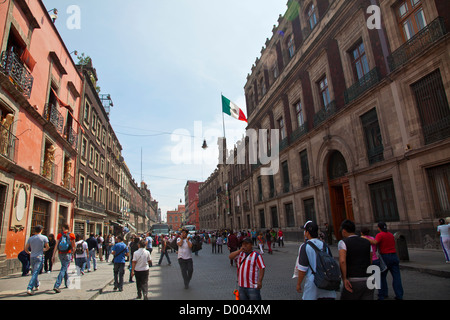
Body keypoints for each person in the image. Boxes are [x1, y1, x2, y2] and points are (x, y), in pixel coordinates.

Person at [296, 221, 337, 300]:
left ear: (307, 232)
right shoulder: (325, 245)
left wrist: (298, 284)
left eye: (305, 231)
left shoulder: (304, 247)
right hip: (327, 283)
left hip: (313, 285)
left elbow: (302, 269)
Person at [363, 222, 404, 300]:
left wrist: (365, 238)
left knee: (382, 276)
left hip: (385, 256)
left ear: (379, 228)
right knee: (396, 277)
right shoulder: (391, 235)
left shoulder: (380, 235)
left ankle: (384, 293)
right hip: (394, 255)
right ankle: (399, 295)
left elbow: (375, 242)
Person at [338, 220, 374, 300]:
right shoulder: (367, 242)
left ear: (344, 231)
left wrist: (344, 278)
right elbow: (370, 259)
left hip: (354, 280)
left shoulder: (343, 243)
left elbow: (342, 261)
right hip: (368, 279)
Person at [25, 225, 49, 295]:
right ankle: (29, 288)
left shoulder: (31, 238)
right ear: (41, 230)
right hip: (39, 257)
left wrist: (29, 252)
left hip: (32, 256)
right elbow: (47, 247)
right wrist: (43, 249)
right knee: (35, 272)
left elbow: (26, 248)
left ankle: (37, 284)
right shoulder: (44, 238)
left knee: (34, 272)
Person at [53, 224, 76, 293]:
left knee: (64, 267)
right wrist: (73, 254)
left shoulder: (59, 235)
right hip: (67, 253)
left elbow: (56, 245)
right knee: (63, 268)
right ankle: (56, 285)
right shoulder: (72, 235)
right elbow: (73, 246)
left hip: (60, 253)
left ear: (63, 228)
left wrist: (53, 255)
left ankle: (67, 283)